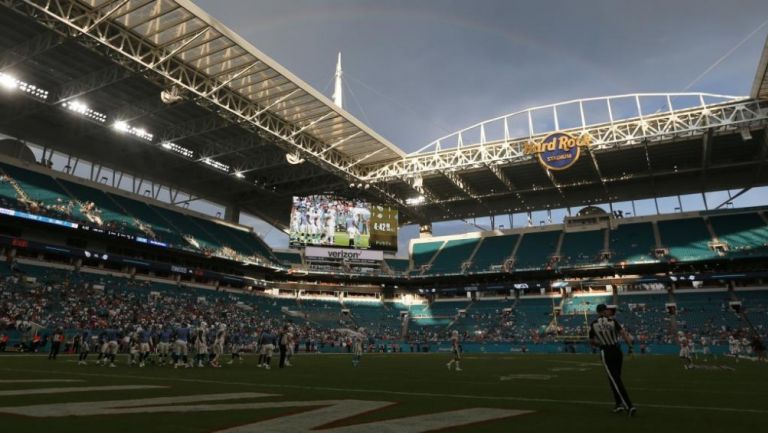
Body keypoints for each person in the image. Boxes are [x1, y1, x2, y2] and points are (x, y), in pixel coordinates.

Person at [589, 304, 636, 417]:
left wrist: (599, 343)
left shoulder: (594, 324)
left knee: (615, 380)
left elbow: (591, 341)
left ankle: (629, 406)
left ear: (598, 312)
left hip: (606, 352)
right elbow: (624, 334)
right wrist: (630, 347)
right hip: (617, 351)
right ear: (604, 311)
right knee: (615, 379)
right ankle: (618, 404)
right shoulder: (613, 321)